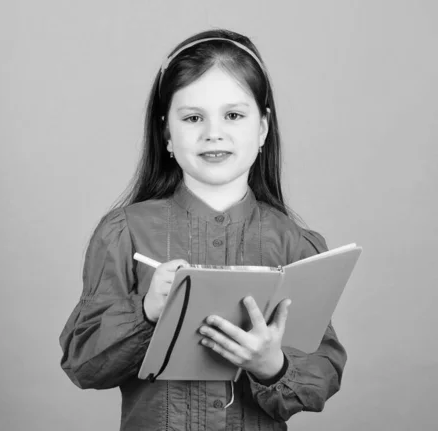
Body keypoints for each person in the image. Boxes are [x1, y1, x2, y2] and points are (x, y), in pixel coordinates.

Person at [59, 28, 347, 431]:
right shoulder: (123, 232)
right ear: (167, 133)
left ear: (262, 128)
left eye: (233, 115)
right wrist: (146, 311)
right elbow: (83, 364)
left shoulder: (296, 245)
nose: (213, 132)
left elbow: (321, 378)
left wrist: (271, 365)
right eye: (193, 117)